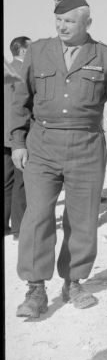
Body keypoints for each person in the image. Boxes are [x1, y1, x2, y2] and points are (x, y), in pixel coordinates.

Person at [11, 0, 107, 317]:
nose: (61, 26)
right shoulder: (38, 51)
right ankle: (36, 289)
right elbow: (19, 101)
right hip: (43, 145)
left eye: (69, 21)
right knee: (37, 216)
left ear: (87, 23)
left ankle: (73, 282)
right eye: (58, 20)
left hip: (87, 147)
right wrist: (18, 142)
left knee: (82, 218)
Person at [5, 36, 31, 238]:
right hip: (19, 135)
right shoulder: (24, 72)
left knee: (6, 182)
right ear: (22, 51)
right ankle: (19, 228)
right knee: (21, 183)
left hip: (5, 135)